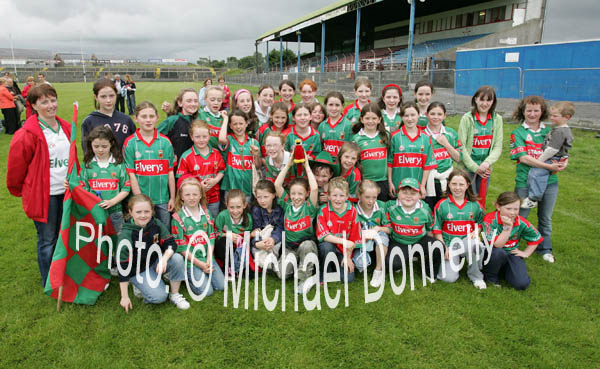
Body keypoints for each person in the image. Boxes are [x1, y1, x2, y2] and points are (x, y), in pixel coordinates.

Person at [6, 84, 71, 286]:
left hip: (66, 192)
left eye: (53, 100)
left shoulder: (67, 127)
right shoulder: (27, 133)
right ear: (34, 106)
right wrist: (22, 190)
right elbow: (16, 167)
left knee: (64, 236)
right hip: (45, 195)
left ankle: (63, 275)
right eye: (44, 102)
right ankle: (49, 280)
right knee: (47, 239)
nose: (51, 105)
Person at [509, 96, 566, 263]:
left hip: (549, 183)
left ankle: (545, 248)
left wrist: (563, 163)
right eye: (529, 110)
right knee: (520, 216)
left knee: (545, 218)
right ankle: (513, 245)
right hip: (525, 182)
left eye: (536, 110)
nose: (532, 114)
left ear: (542, 112)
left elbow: (561, 153)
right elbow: (524, 158)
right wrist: (548, 167)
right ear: (523, 111)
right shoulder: (518, 133)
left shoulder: (550, 132)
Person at [118, 194, 190, 311]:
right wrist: (124, 297)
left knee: (176, 258)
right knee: (160, 297)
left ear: (152, 211)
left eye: (147, 211)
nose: (143, 215)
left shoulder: (155, 223)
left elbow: (171, 243)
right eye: (138, 212)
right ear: (131, 212)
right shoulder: (126, 236)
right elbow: (123, 267)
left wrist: (164, 259)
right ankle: (140, 286)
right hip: (138, 270)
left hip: (155, 261)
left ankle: (175, 294)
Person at [123, 101, 176, 229]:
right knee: (142, 233)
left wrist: (172, 198)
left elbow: (170, 172)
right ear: (136, 118)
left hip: (162, 199)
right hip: (141, 201)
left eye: (151, 116)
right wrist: (140, 200)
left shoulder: (165, 142)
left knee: (164, 232)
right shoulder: (130, 143)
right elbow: (132, 175)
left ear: (157, 117)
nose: (148, 120)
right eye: (144, 116)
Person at [172, 177, 225, 298]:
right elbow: (182, 249)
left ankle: (204, 272)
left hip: (207, 258)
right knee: (207, 292)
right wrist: (200, 264)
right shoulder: (178, 218)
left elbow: (211, 237)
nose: (191, 198)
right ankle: (187, 277)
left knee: (221, 286)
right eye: (187, 194)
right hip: (191, 262)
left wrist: (209, 260)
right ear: (181, 196)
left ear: (201, 195)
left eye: (195, 194)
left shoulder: (206, 213)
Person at [274, 153, 319, 293]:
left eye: (300, 194)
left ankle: (306, 278)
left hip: (305, 246)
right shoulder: (287, 204)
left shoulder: (309, 207)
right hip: (290, 248)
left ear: (306, 194)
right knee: (282, 275)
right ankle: (298, 264)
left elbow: (315, 188)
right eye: (293, 193)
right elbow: (277, 184)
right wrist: (288, 164)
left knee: (306, 245)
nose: (296, 197)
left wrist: (306, 165)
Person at [434, 169, 486, 289]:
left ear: (467, 185)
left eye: (461, 184)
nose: (457, 188)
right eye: (454, 184)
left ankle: (476, 276)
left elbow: (481, 222)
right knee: (448, 279)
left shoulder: (475, 205)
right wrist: (443, 247)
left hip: (467, 242)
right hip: (450, 245)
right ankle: (457, 261)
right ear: (448, 184)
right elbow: (436, 229)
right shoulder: (442, 205)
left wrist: (476, 231)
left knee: (476, 246)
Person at [385, 178, 441, 285]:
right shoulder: (389, 206)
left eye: (413, 193)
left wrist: (431, 248)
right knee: (391, 264)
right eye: (404, 192)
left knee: (437, 246)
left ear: (420, 195)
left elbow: (429, 228)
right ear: (397, 193)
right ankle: (401, 262)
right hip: (399, 241)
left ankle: (429, 272)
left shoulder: (425, 208)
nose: (408, 196)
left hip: (419, 240)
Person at [483, 192, 542, 290]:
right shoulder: (490, 219)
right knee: (498, 253)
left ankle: (505, 271)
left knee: (521, 284)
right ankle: (491, 278)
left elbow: (536, 237)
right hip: (492, 253)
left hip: (511, 252)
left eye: (516, 209)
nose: (512, 213)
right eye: (508, 208)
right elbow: (498, 245)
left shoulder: (521, 222)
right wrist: (507, 227)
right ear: (498, 207)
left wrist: (526, 253)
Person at [521, 102, 574, 209]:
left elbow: (552, 149)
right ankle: (534, 195)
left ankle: (533, 198)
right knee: (534, 173)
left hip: (553, 158)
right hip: (556, 158)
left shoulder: (560, 131)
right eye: (551, 115)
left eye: (555, 116)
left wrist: (540, 161)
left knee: (536, 173)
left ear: (567, 117)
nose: (551, 118)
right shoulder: (560, 129)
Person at [80, 126, 130, 234]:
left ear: (111, 144)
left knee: (119, 242)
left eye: (104, 146)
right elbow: (83, 189)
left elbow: (126, 188)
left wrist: (112, 202)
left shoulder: (118, 164)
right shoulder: (87, 165)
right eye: (96, 146)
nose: (100, 150)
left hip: (115, 212)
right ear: (90, 145)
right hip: (94, 212)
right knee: (98, 244)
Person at [458, 85, 503, 200]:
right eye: (482, 99)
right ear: (475, 99)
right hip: (468, 168)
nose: (485, 103)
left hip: (485, 169)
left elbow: (498, 146)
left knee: (481, 200)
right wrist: (475, 168)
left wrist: (487, 163)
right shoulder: (467, 118)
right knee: (467, 199)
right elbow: (461, 146)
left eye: (489, 100)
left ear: (493, 102)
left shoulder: (497, 119)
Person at [317, 177, 362, 286]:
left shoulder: (352, 212)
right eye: (334, 195)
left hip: (345, 251)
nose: (338, 199)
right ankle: (324, 272)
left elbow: (353, 240)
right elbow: (324, 235)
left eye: (341, 196)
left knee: (348, 279)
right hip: (330, 247)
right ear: (328, 196)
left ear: (347, 196)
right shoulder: (323, 210)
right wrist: (343, 241)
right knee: (325, 246)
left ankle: (336, 267)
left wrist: (347, 257)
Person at [176, 120, 225, 220]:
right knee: (196, 222)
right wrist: (198, 185)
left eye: (204, 136)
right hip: (193, 200)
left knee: (212, 221)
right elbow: (182, 180)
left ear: (209, 136)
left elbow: (222, 170)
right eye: (197, 137)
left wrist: (215, 180)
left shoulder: (216, 153)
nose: (201, 140)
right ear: (191, 137)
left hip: (213, 198)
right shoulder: (186, 156)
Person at [388, 102, 437, 199]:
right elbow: (389, 163)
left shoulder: (426, 138)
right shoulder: (395, 137)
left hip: (416, 187)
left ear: (418, 115)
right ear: (401, 117)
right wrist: (390, 182)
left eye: (413, 115)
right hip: (398, 186)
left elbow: (427, 165)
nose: (410, 119)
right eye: (406, 115)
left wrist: (423, 185)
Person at [422, 102, 461, 210]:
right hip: (428, 180)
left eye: (439, 114)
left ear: (445, 115)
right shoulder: (421, 134)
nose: (436, 117)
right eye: (432, 114)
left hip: (447, 179)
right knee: (429, 210)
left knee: (446, 211)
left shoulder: (451, 133)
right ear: (426, 114)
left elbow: (458, 158)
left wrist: (446, 144)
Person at [81, 78, 136, 152]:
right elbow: (87, 151)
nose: (108, 100)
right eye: (103, 96)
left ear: (116, 95)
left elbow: (135, 146)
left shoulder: (126, 120)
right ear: (96, 97)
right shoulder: (89, 122)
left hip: (124, 163)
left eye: (111, 96)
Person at [351, 102, 390, 201]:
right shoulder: (357, 139)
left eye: (374, 118)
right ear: (361, 119)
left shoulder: (385, 136)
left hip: (383, 182)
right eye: (367, 118)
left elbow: (390, 161)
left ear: (379, 119)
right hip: (365, 183)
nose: (370, 121)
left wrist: (390, 181)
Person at [218, 109, 260, 201]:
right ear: (230, 126)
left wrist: (256, 155)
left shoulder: (253, 143)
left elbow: (257, 166)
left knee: (245, 213)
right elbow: (221, 139)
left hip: (247, 189)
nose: (238, 127)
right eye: (234, 124)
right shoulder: (229, 140)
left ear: (246, 123)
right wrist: (225, 119)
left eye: (241, 123)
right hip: (231, 188)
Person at [356, 180, 390, 288]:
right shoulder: (353, 209)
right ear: (359, 195)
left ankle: (378, 271)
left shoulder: (381, 206)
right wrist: (362, 234)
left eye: (374, 197)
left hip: (378, 234)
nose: (371, 201)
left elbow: (390, 229)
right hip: (361, 239)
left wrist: (379, 228)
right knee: (360, 265)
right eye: (367, 197)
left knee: (382, 240)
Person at [213, 189, 254, 277]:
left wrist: (245, 237)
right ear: (226, 205)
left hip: (240, 247)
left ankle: (237, 267)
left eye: (238, 207)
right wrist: (227, 235)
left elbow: (247, 237)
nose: (235, 211)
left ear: (244, 205)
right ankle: (228, 267)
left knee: (250, 274)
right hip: (224, 248)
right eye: (231, 207)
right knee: (224, 242)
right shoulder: (222, 216)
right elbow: (214, 233)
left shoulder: (248, 218)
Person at [157, 88, 199, 161]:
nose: (193, 104)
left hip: (193, 166)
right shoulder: (172, 120)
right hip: (175, 166)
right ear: (180, 103)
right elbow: (155, 137)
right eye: (189, 101)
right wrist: (168, 153)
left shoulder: (199, 120)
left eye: (195, 101)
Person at [250, 180, 284, 271]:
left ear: (273, 195)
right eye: (259, 197)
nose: (262, 200)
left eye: (266, 197)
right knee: (256, 247)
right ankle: (266, 261)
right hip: (262, 239)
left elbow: (281, 227)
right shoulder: (256, 210)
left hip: (275, 239)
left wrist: (273, 239)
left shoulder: (280, 208)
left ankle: (274, 259)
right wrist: (257, 243)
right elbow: (255, 230)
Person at [319, 91, 352, 157]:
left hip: (342, 163)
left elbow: (351, 148)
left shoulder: (348, 125)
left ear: (342, 106)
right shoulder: (322, 125)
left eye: (337, 105)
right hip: (326, 163)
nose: (334, 108)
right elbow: (320, 148)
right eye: (331, 105)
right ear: (326, 105)